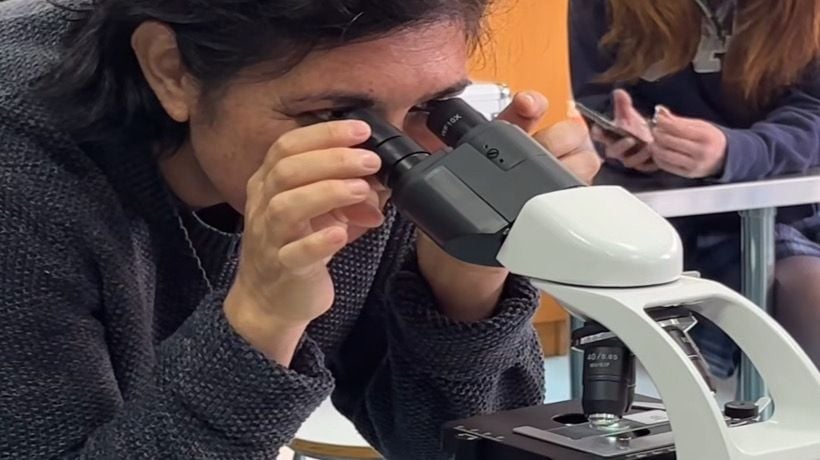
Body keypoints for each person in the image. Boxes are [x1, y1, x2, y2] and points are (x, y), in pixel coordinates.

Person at [0, 0, 600, 458]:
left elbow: (456, 447)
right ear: (170, 70)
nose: (388, 168)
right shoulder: (22, 171)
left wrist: (464, 286)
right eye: (333, 115)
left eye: (431, 107)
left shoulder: (392, 149)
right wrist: (260, 317)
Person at [569, 0, 820, 376]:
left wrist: (735, 150)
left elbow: (814, 108)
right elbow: (599, 99)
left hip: (795, 200)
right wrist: (630, 139)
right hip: (673, 226)